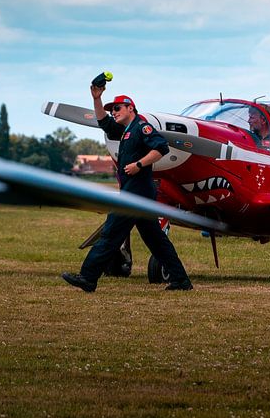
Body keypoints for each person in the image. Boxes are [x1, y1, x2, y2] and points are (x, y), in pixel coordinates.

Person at [61, 85, 193, 292]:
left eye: (118, 108)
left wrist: (139, 164)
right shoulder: (126, 131)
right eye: (112, 109)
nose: (114, 112)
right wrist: (97, 98)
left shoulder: (142, 127)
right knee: (156, 240)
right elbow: (103, 122)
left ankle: (87, 277)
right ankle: (181, 280)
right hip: (138, 194)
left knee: (110, 233)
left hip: (136, 194)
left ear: (131, 108)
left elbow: (161, 147)